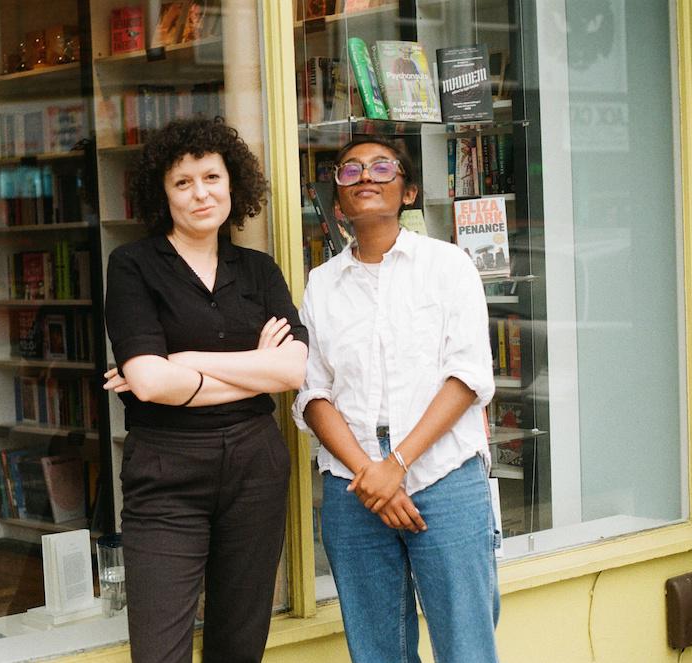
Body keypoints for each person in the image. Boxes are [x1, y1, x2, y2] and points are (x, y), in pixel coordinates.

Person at [102, 116, 308, 663]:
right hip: (166, 471)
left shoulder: (259, 270)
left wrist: (187, 363)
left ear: (232, 183)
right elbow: (147, 380)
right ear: (162, 194)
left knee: (238, 646)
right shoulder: (133, 266)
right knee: (158, 651)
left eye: (212, 178)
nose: (201, 194)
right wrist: (253, 366)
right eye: (183, 182)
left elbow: (291, 373)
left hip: (254, 467)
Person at [292, 135, 500, 662]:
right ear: (338, 203)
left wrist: (399, 464)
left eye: (382, 168)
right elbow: (314, 393)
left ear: (407, 192)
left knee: (466, 645)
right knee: (377, 650)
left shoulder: (448, 266)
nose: (365, 176)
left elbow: (467, 376)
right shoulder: (321, 285)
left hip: (444, 477)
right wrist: (372, 473)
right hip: (353, 488)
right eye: (350, 170)